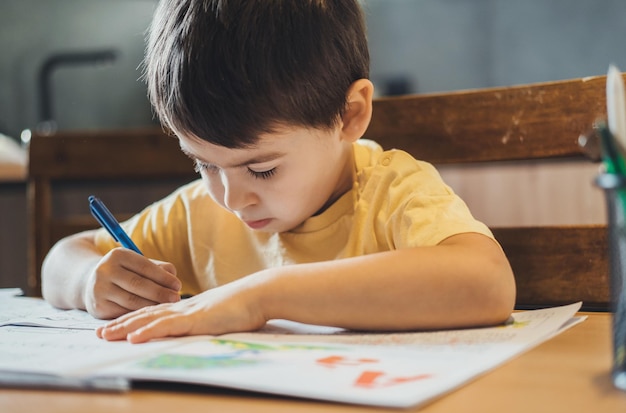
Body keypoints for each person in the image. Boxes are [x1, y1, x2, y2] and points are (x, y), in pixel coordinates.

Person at [41, 0, 515, 344]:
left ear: (349, 116)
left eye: (263, 170)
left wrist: (261, 295)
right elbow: (62, 258)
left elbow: (486, 282)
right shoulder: (199, 211)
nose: (231, 197)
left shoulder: (392, 192)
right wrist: (88, 281)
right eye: (204, 163)